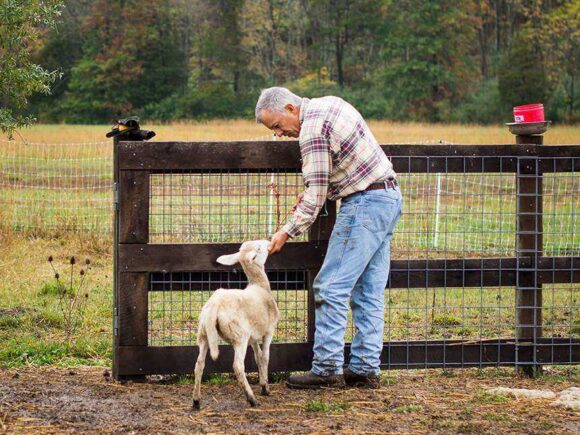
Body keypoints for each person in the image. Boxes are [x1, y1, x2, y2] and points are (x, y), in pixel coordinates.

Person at [256, 87, 402, 389]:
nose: (280, 134)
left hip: (364, 204)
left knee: (330, 286)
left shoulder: (311, 130)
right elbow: (334, 175)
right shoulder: (329, 105)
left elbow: (316, 192)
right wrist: (316, 192)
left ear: (289, 108)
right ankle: (364, 367)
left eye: (277, 126)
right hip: (387, 196)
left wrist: (286, 231)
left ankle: (326, 368)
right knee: (368, 290)